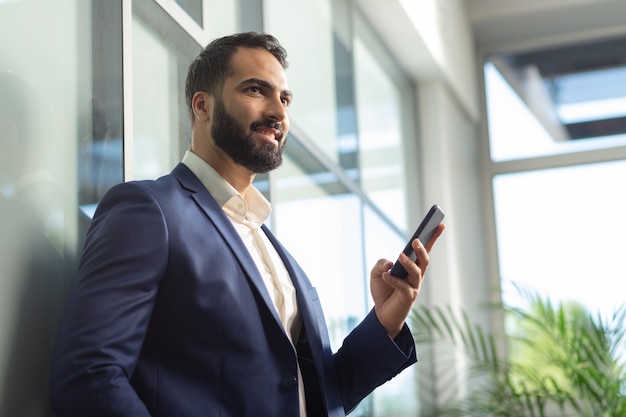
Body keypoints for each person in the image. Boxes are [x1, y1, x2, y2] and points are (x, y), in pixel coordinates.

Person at [49, 32, 444, 417]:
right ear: (202, 106)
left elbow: (313, 394)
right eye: (256, 90)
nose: (279, 112)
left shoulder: (272, 247)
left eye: (285, 98)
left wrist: (385, 322)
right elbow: (88, 376)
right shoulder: (149, 210)